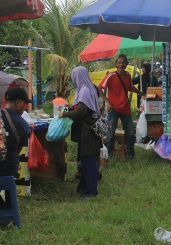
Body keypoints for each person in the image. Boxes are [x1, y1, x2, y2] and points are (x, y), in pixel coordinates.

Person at [0, 87, 31, 205]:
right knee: (8, 159)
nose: (25, 108)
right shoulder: (23, 124)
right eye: (24, 104)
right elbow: (18, 150)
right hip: (8, 169)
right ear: (18, 102)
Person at [60, 66, 102, 199]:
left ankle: (91, 191)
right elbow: (83, 107)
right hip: (89, 132)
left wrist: (65, 114)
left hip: (87, 133)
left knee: (88, 161)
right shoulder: (88, 89)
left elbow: (82, 111)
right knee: (85, 160)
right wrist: (71, 106)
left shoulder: (84, 91)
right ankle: (84, 187)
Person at [98, 54, 144, 159]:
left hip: (125, 109)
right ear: (116, 64)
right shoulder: (111, 76)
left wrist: (142, 93)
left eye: (123, 62)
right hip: (113, 109)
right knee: (110, 134)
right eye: (119, 62)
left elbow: (130, 87)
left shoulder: (128, 75)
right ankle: (107, 156)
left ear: (127, 64)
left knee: (130, 133)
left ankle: (131, 155)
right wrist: (107, 102)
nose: (121, 65)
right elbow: (100, 88)